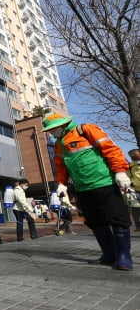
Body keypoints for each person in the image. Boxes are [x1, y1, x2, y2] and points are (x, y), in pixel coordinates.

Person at [42, 113, 132, 270]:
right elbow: (61, 166)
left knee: (118, 218)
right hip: (82, 187)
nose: (51, 132)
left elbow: (111, 149)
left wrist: (120, 171)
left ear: (62, 124)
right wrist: (62, 183)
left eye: (53, 129)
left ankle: (124, 257)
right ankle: (109, 254)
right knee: (95, 221)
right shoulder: (58, 144)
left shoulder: (85, 130)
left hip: (104, 182)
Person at [127, 149, 140, 231]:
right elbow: (128, 176)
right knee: (135, 208)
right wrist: (130, 184)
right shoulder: (130, 166)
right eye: (133, 158)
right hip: (135, 190)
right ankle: (138, 226)